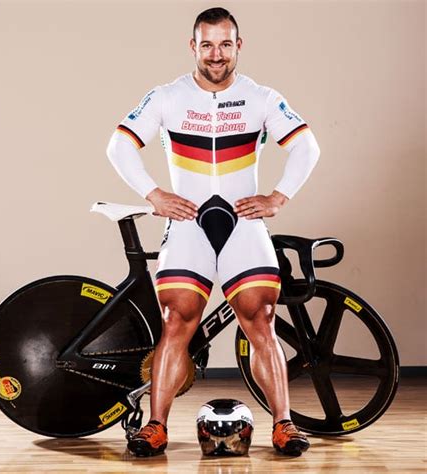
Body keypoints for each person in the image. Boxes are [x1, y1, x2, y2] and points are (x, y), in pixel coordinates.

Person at [107, 7, 320, 457]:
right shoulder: (167, 96)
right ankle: (156, 426)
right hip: (187, 223)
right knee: (176, 322)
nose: (216, 54)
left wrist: (278, 197)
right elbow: (119, 145)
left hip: (244, 223)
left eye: (225, 44)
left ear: (238, 46)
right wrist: (153, 194)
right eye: (207, 44)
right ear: (193, 47)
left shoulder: (261, 97)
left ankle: (284, 424)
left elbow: (306, 145)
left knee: (260, 320)